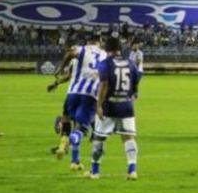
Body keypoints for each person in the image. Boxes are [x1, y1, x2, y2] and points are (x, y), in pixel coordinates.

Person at [87, 37, 141, 180]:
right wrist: (134, 92)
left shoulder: (105, 64)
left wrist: (98, 105)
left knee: (99, 137)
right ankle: (132, 170)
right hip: (127, 106)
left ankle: (95, 171)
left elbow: (104, 85)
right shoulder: (130, 63)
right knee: (128, 137)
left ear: (106, 49)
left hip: (109, 106)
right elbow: (137, 78)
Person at [54, 34, 106, 171]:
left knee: (66, 118)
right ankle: (67, 142)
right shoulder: (104, 55)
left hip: (72, 93)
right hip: (90, 95)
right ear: (99, 42)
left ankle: (74, 161)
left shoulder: (81, 49)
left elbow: (70, 54)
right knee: (81, 129)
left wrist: (60, 68)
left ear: (88, 42)